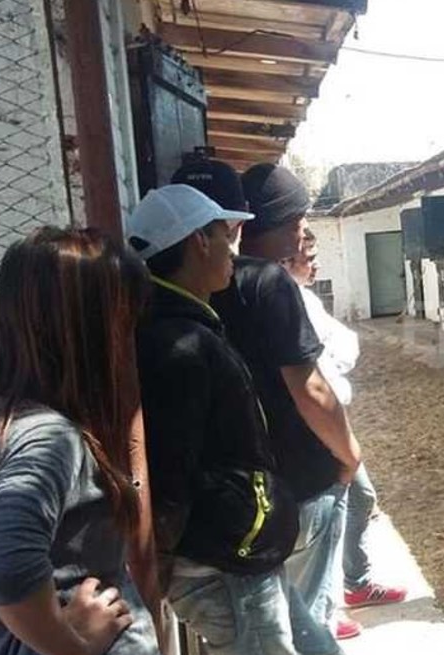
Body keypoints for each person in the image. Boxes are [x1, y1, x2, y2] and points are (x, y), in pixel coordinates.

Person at [0, 227, 159, 655]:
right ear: (88, 332)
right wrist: (72, 647)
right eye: (123, 324)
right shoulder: (49, 438)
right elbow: (6, 569)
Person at [127, 184, 314, 655]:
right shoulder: (176, 344)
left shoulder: (183, 321)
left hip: (237, 552)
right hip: (223, 561)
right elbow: (170, 467)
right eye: (224, 235)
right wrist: (160, 563)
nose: (234, 250)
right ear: (197, 242)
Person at [208, 163, 361, 650]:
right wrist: (350, 457)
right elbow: (312, 391)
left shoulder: (202, 289)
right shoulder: (269, 284)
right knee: (310, 619)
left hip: (249, 500)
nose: (302, 234)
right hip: (303, 482)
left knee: (283, 620)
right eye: (295, 222)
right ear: (264, 227)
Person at [279, 231, 407, 641]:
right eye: (309, 256)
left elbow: (343, 346)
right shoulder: (280, 298)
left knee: (357, 500)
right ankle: (321, 614)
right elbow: (315, 372)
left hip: (328, 418)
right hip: (313, 426)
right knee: (323, 519)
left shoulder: (303, 297)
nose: (315, 264)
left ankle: (352, 584)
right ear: (287, 258)